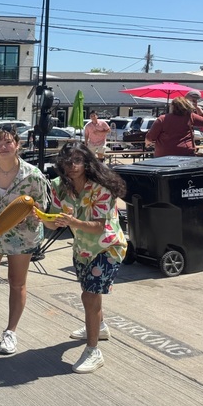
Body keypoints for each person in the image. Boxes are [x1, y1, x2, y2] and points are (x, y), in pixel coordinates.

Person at [36, 141, 127, 374]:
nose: (72, 166)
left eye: (77, 160)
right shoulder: (59, 187)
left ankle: (93, 350)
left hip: (108, 247)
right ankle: (100, 327)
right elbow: (52, 221)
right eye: (68, 161)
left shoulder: (100, 188)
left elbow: (98, 227)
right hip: (82, 249)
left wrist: (72, 222)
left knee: (89, 295)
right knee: (91, 294)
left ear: (87, 162)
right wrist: (39, 214)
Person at [0, 124, 49, 355]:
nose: (3, 147)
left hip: (22, 234)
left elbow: (42, 206)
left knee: (17, 282)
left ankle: (11, 331)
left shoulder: (32, 174)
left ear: (18, 144)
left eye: (8, 142)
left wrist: (28, 211)